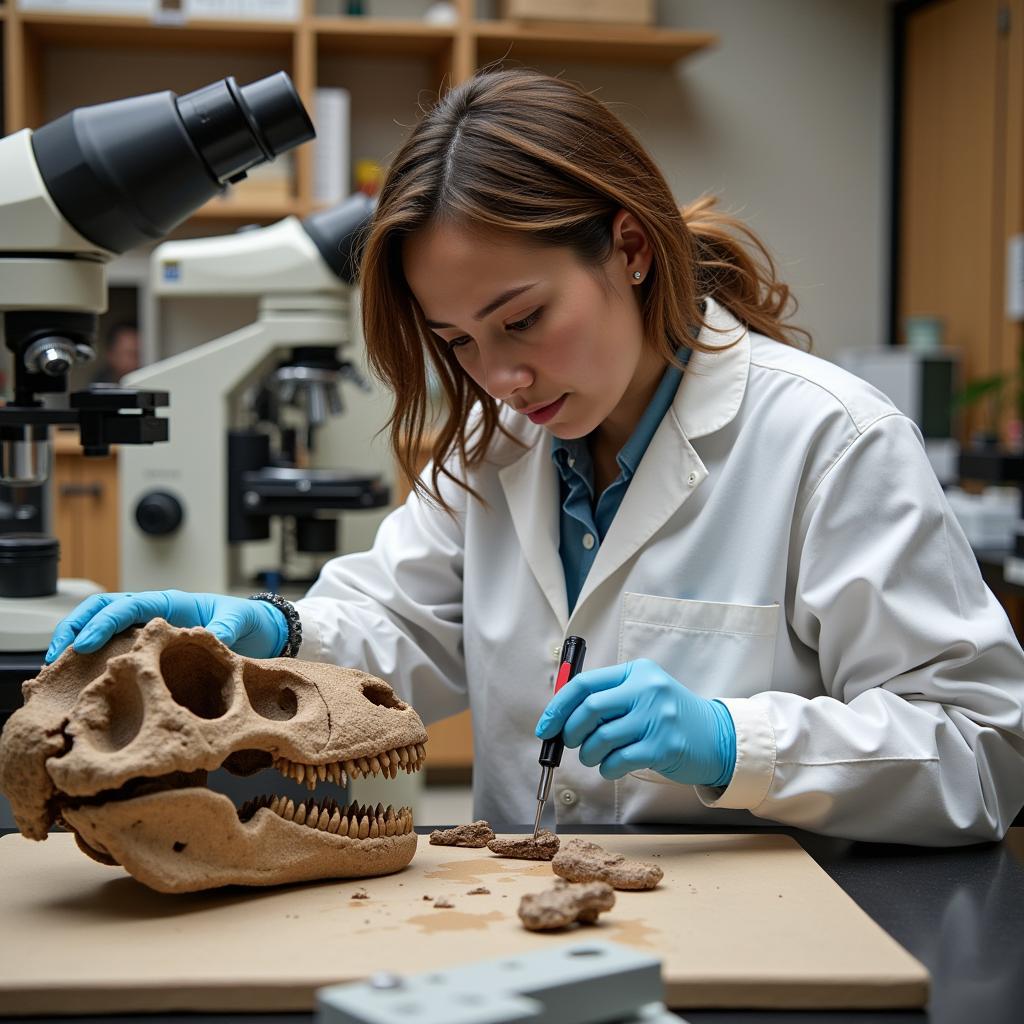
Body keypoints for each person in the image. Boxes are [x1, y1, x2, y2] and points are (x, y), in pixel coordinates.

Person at [46, 69, 1024, 846]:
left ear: (629, 246)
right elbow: (404, 630)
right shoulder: (496, 449)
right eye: (461, 341)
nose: (501, 376)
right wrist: (264, 627)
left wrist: (736, 742)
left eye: (523, 318)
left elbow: (985, 756)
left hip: (764, 941)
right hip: (525, 919)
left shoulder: (827, 439)